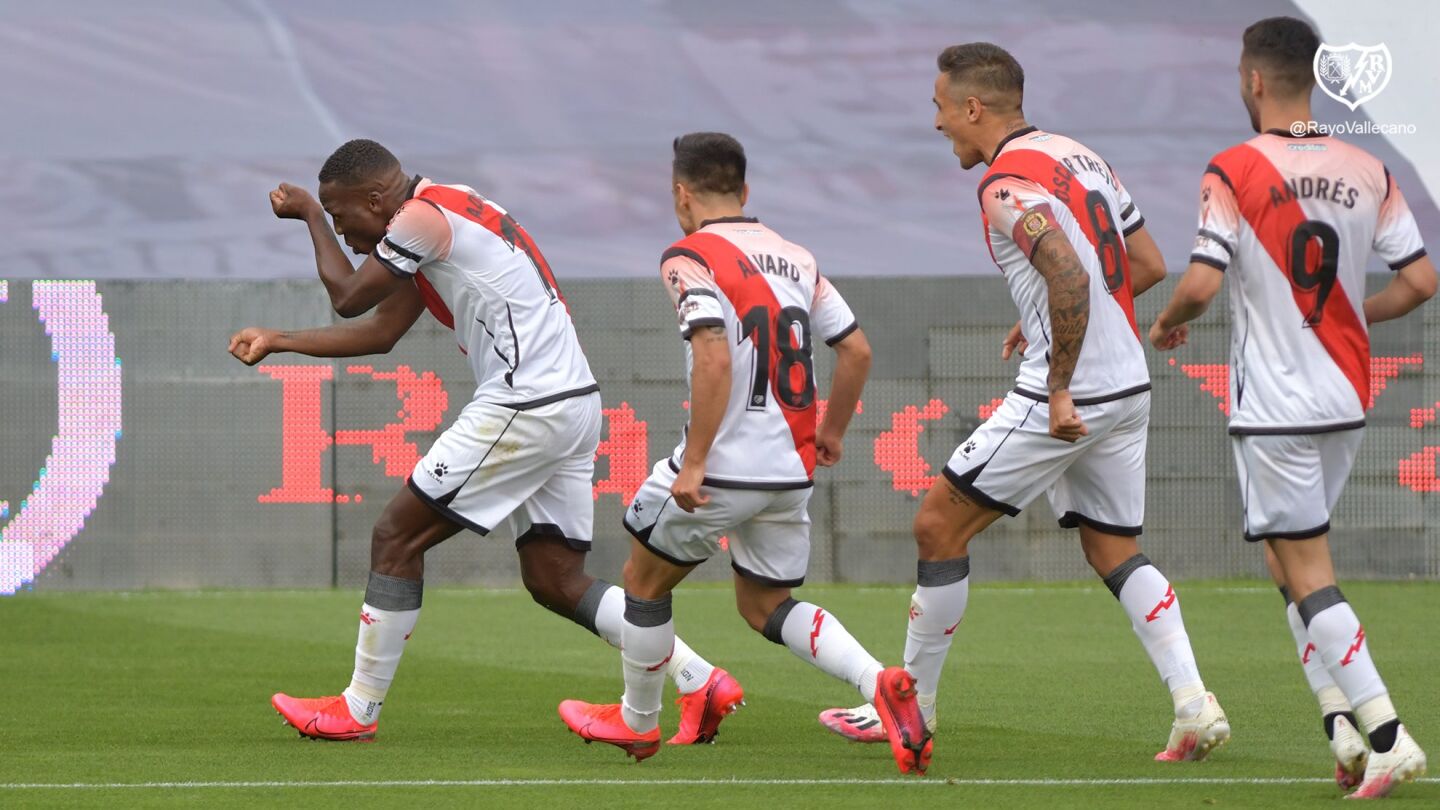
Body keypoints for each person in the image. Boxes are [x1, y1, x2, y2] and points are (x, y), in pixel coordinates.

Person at [228, 139, 738, 745]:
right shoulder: (450, 207)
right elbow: (381, 332)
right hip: (573, 402)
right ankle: (699, 678)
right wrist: (280, 340)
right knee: (554, 578)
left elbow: (348, 297)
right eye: (331, 221)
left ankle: (357, 709)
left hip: (525, 402)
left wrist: (310, 214)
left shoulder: (418, 220)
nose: (342, 232)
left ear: (377, 199)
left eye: (344, 216)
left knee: (395, 536)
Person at [822, 43, 1230, 763]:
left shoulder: (1004, 185)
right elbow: (1145, 264)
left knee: (936, 525)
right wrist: (1047, 314)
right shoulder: (1082, 157)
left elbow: (1069, 278)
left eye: (940, 107)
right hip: (1127, 387)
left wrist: (1061, 380)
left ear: (973, 106)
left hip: (1067, 396)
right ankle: (1194, 704)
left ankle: (911, 708)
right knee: (1112, 547)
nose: (937, 123)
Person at [556, 132, 932, 775]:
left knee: (642, 582)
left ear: (681, 195)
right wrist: (832, 431)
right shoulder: (796, 257)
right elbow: (856, 349)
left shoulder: (688, 256)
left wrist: (695, 461)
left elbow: (712, 353)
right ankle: (879, 683)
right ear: (745, 191)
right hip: (790, 471)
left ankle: (637, 723)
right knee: (765, 605)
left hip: (723, 469)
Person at [1150, 17, 1433, 797]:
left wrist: (1167, 323)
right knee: (1287, 559)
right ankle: (1340, 722)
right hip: (1343, 396)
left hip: (1275, 403)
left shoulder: (1234, 168)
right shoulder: (1368, 167)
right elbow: (1419, 281)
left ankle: (1387, 735)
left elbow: (1201, 283)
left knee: (1306, 570)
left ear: (1253, 80)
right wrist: (1350, 316)